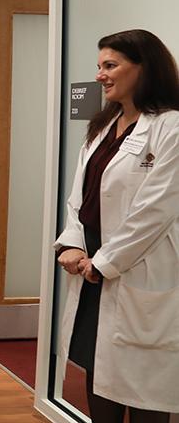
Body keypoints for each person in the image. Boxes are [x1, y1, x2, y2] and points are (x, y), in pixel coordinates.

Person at [53, 29, 179, 422]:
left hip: (133, 269)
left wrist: (106, 261)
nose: (100, 75)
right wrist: (71, 244)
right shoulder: (103, 127)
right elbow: (80, 196)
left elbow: (156, 208)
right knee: (97, 372)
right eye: (99, 66)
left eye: (111, 65)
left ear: (145, 69)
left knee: (145, 393)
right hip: (91, 270)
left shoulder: (170, 127)